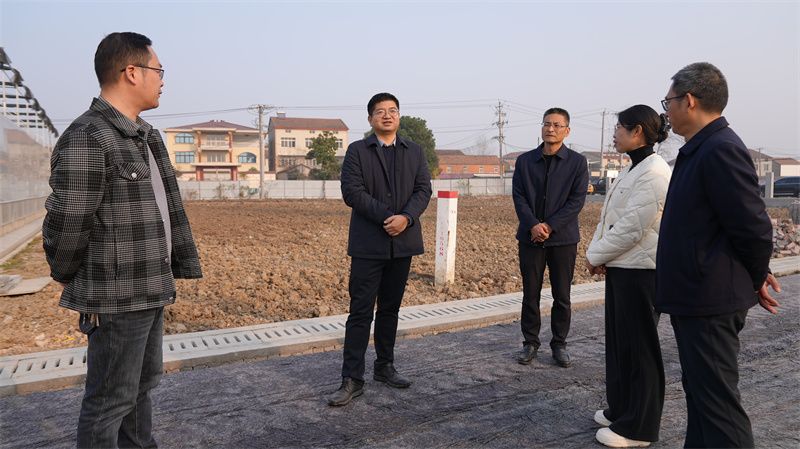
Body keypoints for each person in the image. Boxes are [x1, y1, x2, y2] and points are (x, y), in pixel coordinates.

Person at [42, 32, 202, 448]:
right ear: (132, 72)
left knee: (141, 388)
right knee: (110, 400)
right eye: (158, 70)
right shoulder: (89, 136)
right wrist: (68, 274)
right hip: (115, 295)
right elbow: (68, 221)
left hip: (149, 286)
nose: (162, 79)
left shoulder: (144, 135)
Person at [656, 62, 781, 448]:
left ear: (689, 100)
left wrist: (756, 275)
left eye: (669, 101)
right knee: (701, 397)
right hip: (696, 295)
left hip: (709, 299)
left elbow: (753, 227)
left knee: (718, 406)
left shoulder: (720, 149)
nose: (667, 110)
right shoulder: (701, 148)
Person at [327, 92, 432, 406]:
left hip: (402, 244)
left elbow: (423, 189)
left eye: (393, 110)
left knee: (390, 309)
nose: (387, 115)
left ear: (399, 116)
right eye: (380, 111)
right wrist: (389, 217)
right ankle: (352, 379)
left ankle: (385, 366)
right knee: (360, 312)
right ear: (370, 118)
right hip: (368, 245)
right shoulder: (358, 151)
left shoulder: (415, 151)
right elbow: (352, 192)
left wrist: (406, 218)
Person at [586, 105, 671, 448]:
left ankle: (639, 428)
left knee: (640, 349)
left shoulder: (655, 172)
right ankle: (622, 409)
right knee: (620, 345)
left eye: (619, 127)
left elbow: (632, 227)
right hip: (623, 267)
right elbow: (608, 218)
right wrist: (598, 252)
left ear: (637, 131)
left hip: (642, 272)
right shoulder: (633, 167)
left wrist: (595, 256)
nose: (614, 133)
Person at [512, 107, 589, 368]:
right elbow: (519, 197)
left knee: (562, 295)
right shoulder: (525, 161)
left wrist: (549, 226)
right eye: (547, 124)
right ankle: (530, 342)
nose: (551, 129)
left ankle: (559, 344)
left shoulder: (577, 163)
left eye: (557, 125)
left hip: (563, 239)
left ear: (567, 130)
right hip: (530, 238)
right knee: (530, 293)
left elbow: (576, 201)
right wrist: (533, 225)